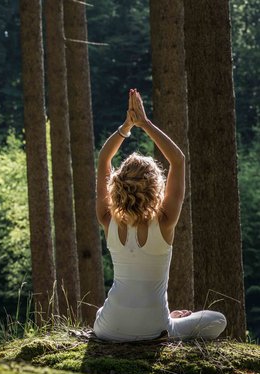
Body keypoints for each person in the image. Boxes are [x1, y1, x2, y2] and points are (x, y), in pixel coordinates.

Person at [93, 89, 227, 342]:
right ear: (156, 186)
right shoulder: (165, 221)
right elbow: (178, 159)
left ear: (117, 185)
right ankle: (172, 320)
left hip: (108, 328)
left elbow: (103, 160)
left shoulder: (107, 218)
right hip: (156, 329)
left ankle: (160, 320)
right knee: (218, 320)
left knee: (104, 309)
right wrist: (145, 123)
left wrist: (126, 126)